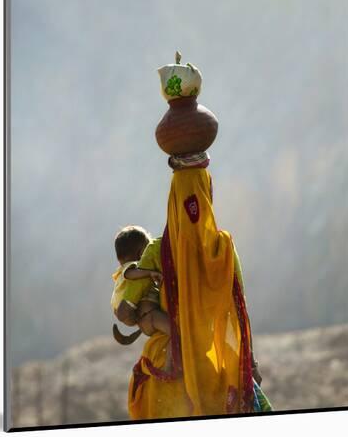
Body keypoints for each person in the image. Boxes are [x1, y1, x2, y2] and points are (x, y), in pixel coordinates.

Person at [116, 166, 272, 419]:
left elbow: (125, 311)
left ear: (172, 200)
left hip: (166, 362)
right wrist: (249, 364)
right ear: (209, 195)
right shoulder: (224, 248)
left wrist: (147, 315)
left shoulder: (157, 249)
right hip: (211, 363)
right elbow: (240, 309)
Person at [111, 225, 174, 372]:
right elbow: (131, 273)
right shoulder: (132, 268)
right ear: (141, 253)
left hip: (145, 318)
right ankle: (169, 368)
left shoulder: (131, 275)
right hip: (150, 316)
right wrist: (150, 272)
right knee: (176, 333)